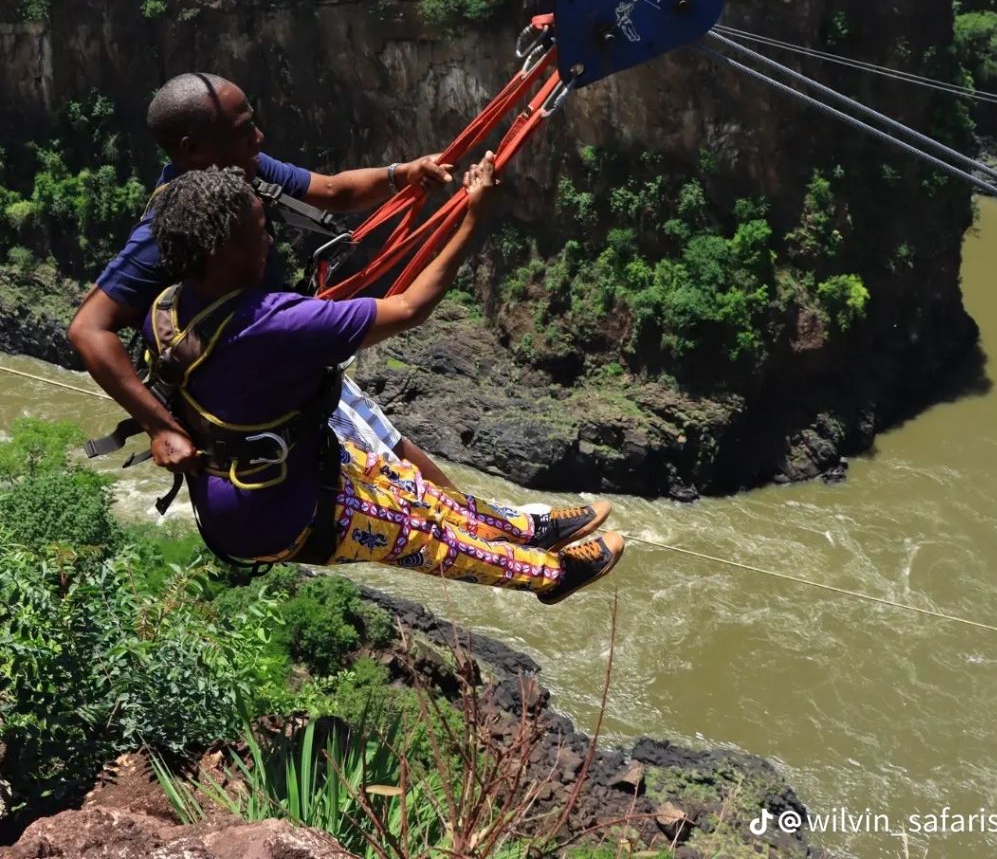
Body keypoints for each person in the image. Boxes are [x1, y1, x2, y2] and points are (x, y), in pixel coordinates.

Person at [143, 160, 625, 604]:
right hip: (276, 515)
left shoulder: (166, 311)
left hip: (269, 476)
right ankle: (552, 575)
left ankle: (525, 529)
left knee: (414, 488)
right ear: (220, 250)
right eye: (259, 231)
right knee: (430, 538)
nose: (269, 240)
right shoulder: (276, 322)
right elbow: (410, 306)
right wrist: (473, 217)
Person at [68, 72, 454, 487]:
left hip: (294, 357)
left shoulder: (239, 167)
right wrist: (160, 426)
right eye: (243, 130)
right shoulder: (166, 230)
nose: (259, 138)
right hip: (254, 400)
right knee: (420, 491)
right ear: (192, 149)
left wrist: (402, 174)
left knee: (420, 475)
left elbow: (332, 192)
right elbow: (87, 328)